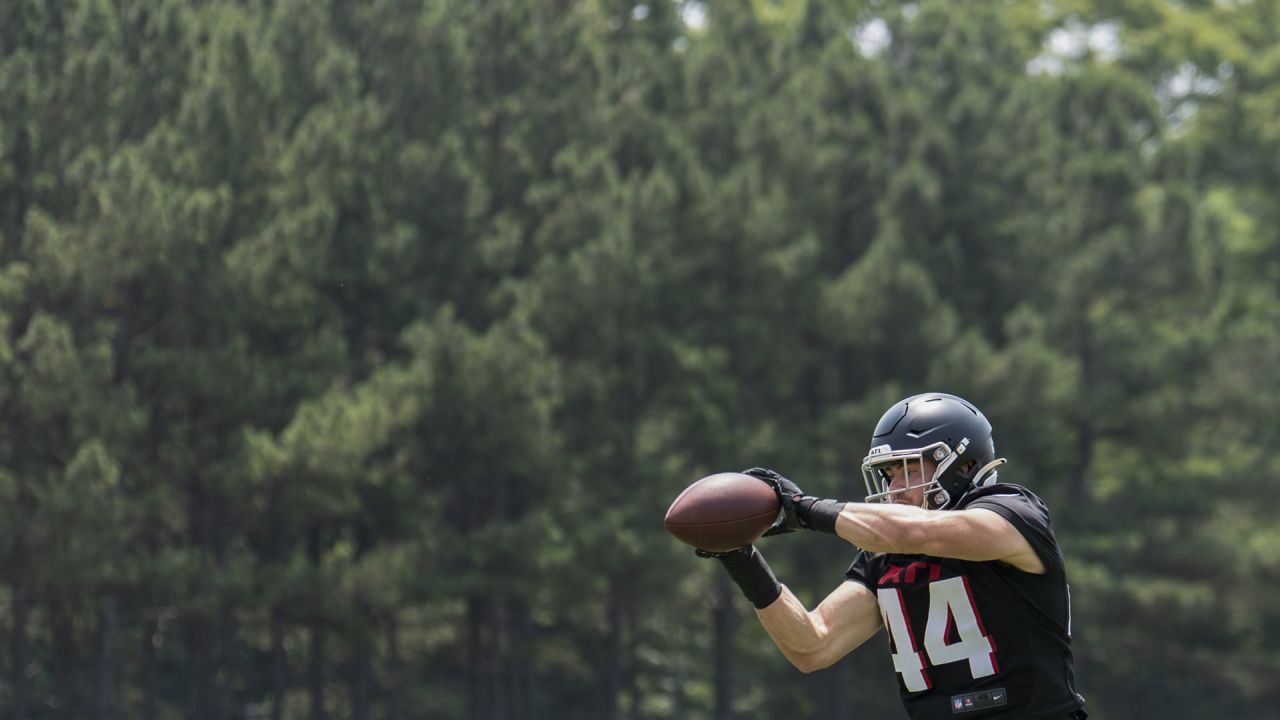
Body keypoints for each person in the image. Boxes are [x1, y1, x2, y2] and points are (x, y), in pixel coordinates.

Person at [701, 392, 1086, 720]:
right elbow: (812, 645)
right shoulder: (886, 554)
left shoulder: (1014, 512)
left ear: (963, 465)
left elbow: (912, 530)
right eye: (888, 474)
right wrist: (740, 555)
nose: (896, 487)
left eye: (908, 469)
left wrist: (804, 509)